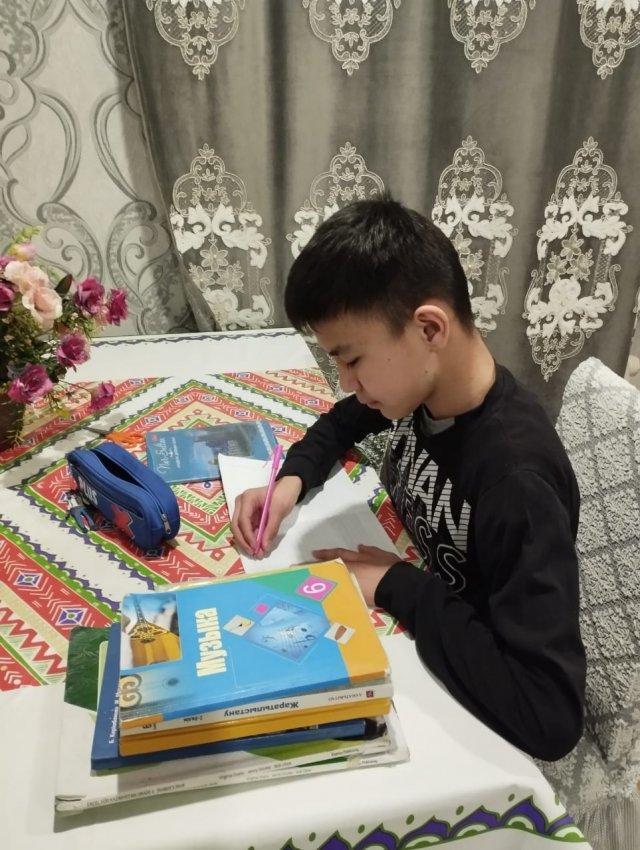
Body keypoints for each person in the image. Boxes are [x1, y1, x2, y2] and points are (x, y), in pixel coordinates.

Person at [230, 195, 586, 761]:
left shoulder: (516, 483)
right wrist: (292, 479)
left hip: (466, 700)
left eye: (352, 360)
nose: (347, 383)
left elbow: (551, 717)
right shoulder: (422, 388)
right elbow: (346, 419)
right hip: (407, 613)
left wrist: (400, 586)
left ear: (428, 328)